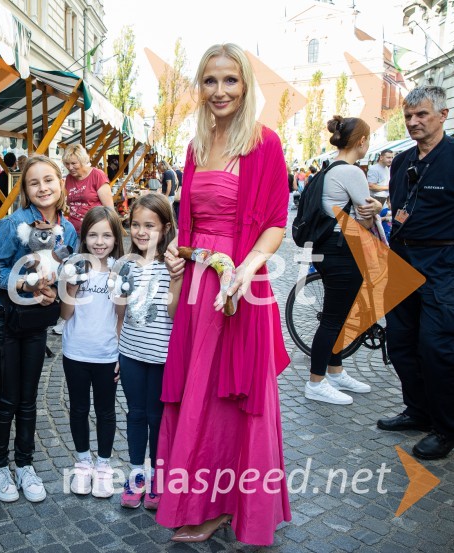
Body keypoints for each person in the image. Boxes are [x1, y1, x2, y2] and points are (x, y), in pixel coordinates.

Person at [157, 43, 291, 545]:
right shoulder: (195, 145)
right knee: (196, 394)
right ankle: (198, 502)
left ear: (246, 84)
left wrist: (244, 272)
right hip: (198, 283)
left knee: (229, 399)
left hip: (239, 285)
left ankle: (229, 505)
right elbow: (189, 223)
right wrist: (177, 254)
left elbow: (275, 222)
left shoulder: (264, 143)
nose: (220, 91)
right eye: (210, 81)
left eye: (230, 80)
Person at [0, 155, 78, 504]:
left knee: (29, 398)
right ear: (24, 189)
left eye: (48, 180)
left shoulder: (68, 230)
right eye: (34, 182)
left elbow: (66, 274)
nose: (43, 188)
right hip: (6, 319)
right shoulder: (13, 224)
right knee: (7, 397)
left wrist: (54, 291)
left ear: (60, 183)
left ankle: (25, 465)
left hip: (36, 322)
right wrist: (26, 283)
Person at [378, 85, 454, 460]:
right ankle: (418, 410)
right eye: (408, 116)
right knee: (400, 342)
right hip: (402, 259)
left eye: (421, 114)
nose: (413, 122)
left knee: (436, 347)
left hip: (443, 264)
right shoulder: (401, 161)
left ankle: (445, 428)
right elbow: (398, 206)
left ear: (442, 115)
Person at [305, 116, 380, 405]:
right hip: (343, 250)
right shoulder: (352, 172)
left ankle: (335, 372)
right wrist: (377, 208)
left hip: (328, 249)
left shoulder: (329, 168)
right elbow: (365, 218)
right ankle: (316, 382)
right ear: (361, 141)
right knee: (334, 320)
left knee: (339, 315)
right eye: (368, 140)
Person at [117, 194, 179, 511]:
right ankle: (136, 473)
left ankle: (157, 473)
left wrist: (177, 277)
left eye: (150, 226)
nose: (141, 232)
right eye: (136, 225)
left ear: (165, 227)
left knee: (157, 417)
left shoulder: (172, 266)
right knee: (136, 414)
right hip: (130, 354)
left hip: (162, 359)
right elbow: (120, 312)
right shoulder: (126, 265)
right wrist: (115, 351)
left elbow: (173, 312)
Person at [60, 207, 124, 499]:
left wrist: (120, 352)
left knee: (106, 410)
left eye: (106, 235)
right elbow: (65, 314)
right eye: (93, 235)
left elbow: (121, 317)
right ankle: (83, 461)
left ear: (115, 238)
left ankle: (104, 465)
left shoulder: (120, 269)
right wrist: (71, 288)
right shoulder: (74, 267)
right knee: (78, 409)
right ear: (84, 237)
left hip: (107, 354)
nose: (99, 242)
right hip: (75, 352)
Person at [63, 144, 114, 232]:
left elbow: (109, 209)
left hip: (94, 229)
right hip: (74, 231)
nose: (70, 167)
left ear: (82, 161)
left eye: (74, 163)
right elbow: (67, 203)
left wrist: (110, 230)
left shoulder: (97, 175)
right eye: (67, 164)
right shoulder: (68, 178)